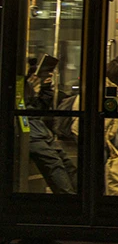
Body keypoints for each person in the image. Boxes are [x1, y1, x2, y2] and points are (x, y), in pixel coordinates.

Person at [24, 57, 78, 194]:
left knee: (67, 163)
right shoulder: (17, 85)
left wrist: (45, 88)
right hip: (30, 131)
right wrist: (32, 88)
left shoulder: (27, 85)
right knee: (54, 164)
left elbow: (40, 108)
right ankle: (67, 197)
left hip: (40, 129)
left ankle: (78, 195)